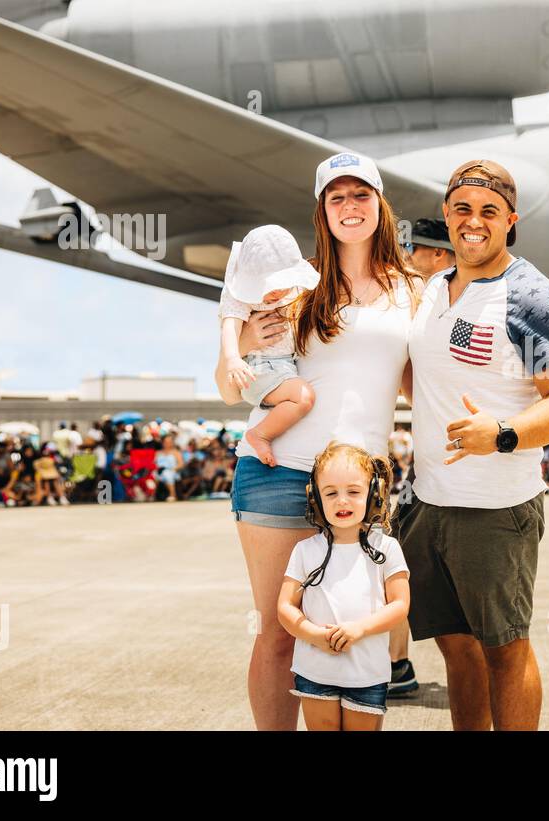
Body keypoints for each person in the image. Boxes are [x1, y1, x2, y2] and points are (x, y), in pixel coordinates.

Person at [216, 149, 420, 731]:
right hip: (278, 471)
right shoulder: (296, 285)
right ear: (322, 212)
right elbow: (230, 390)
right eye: (337, 198)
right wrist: (241, 341)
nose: (350, 207)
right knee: (279, 633)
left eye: (361, 195)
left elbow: (420, 384)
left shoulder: (414, 289)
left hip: (361, 483)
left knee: (354, 632)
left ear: (380, 205)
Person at [399, 158, 549, 731]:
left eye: (488, 212)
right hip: (429, 502)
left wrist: (503, 434)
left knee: (505, 649)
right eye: (461, 209)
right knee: (456, 648)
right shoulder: (433, 289)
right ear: (446, 217)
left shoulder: (535, 299)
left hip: (496, 508)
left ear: (510, 220)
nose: (472, 222)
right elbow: (421, 377)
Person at [276, 443, 409, 731]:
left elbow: (400, 606)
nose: (342, 501)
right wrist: (312, 634)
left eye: (353, 491)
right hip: (315, 671)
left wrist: (359, 629)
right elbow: (285, 607)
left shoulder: (387, 548)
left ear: (374, 494)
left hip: (367, 673)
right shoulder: (305, 550)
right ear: (316, 498)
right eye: (331, 493)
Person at [218, 224, 322, 468]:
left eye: (282, 284)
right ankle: (261, 434)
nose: (276, 293)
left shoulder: (295, 291)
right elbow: (230, 326)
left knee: (301, 396)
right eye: (268, 287)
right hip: (260, 368)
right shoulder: (238, 295)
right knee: (303, 397)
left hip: (282, 367)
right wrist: (233, 358)